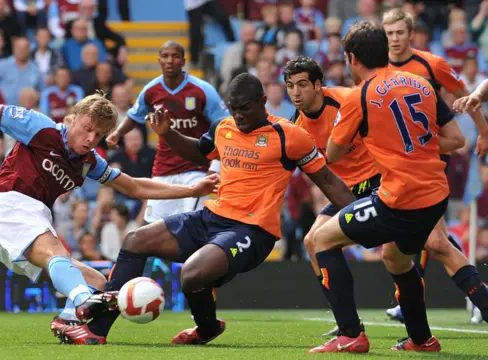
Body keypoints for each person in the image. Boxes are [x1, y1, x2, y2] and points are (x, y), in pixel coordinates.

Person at [58, 73, 355, 345]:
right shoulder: (224, 126)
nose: (238, 116)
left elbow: (328, 181)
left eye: (246, 108)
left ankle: (206, 327)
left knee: (192, 274)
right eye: (234, 108)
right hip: (210, 218)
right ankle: (96, 331)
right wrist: (168, 133)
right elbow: (198, 151)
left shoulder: (290, 135)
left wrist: (361, 214)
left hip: (252, 230)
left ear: (263, 102)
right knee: (136, 241)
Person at [0, 94, 218, 341]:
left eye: (99, 134)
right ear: (72, 117)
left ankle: (68, 319)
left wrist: (192, 189)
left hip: (24, 223)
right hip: (9, 204)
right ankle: (82, 300)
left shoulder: (88, 162)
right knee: (64, 262)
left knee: (99, 281)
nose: (90, 138)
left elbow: (135, 186)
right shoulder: (41, 128)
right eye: (87, 127)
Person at [308, 21, 466, 353]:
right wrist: (414, 146)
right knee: (395, 257)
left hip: (398, 199)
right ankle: (422, 340)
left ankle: (350, 334)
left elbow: (334, 155)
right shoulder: (421, 83)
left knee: (321, 239)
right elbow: (455, 139)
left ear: (352, 58)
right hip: (436, 195)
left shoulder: (358, 96)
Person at [382, 8, 488, 323]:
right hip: (396, 160)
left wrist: (483, 131)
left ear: (410, 33)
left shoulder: (432, 64)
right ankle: (420, 300)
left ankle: (412, 302)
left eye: (400, 32)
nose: (395, 39)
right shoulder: (377, 67)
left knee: (428, 238)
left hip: (430, 156)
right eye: (389, 33)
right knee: (428, 237)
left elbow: (465, 96)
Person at [106, 42, 227, 225]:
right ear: (159, 60)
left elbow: (225, 128)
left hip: (197, 169)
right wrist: (117, 133)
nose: (170, 61)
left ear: (183, 61)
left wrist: (216, 165)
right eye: (165, 56)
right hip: (163, 168)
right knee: (152, 225)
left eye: (175, 56)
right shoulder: (151, 91)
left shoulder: (203, 90)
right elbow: (134, 115)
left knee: (191, 223)